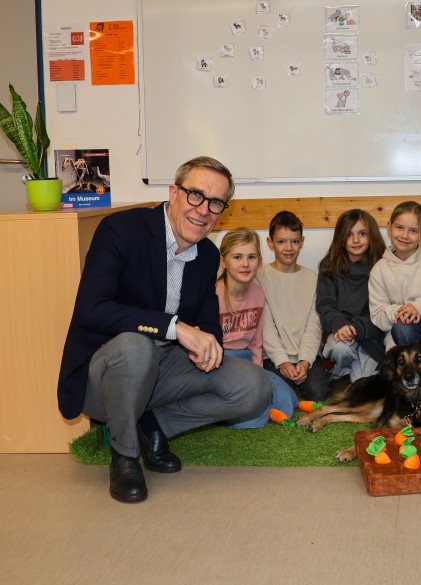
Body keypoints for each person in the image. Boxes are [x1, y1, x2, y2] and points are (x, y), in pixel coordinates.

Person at [57, 156, 272, 503]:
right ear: (173, 193)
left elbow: (209, 325)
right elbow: (90, 310)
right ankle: (125, 455)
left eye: (216, 202)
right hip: (104, 377)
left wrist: (209, 346)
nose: (204, 210)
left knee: (255, 386)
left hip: (162, 373)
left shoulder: (206, 256)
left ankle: (151, 424)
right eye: (195, 195)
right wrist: (175, 328)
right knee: (136, 346)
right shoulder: (121, 229)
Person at [216, 228, 298, 427]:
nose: (245, 264)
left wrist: (258, 376)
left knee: (287, 397)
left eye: (251, 257)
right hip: (220, 363)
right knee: (248, 416)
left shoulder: (258, 293)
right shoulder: (213, 295)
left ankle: (262, 406)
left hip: (247, 361)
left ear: (259, 261)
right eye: (237, 257)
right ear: (223, 261)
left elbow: (255, 343)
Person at [259, 211, 329, 400]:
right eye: (281, 242)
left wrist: (305, 361)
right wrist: (282, 362)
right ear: (270, 242)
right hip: (273, 357)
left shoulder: (313, 279)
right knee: (280, 395)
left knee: (319, 393)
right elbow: (266, 328)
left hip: (305, 355)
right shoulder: (259, 277)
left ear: (302, 241)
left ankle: (302, 373)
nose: (289, 248)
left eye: (295, 241)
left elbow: (314, 325)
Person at [316, 209, 387, 382]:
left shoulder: (383, 266)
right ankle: (340, 373)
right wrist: (340, 325)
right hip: (341, 333)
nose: (355, 240)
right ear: (340, 238)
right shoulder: (329, 266)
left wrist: (358, 329)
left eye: (362, 234)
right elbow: (325, 305)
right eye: (349, 234)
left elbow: (385, 310)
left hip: (371, 336)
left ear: (372, 236)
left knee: (364, 384)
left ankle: (353, 372)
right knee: (340, 351)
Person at [369, 201, 421, 348]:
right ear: (389, 227)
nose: (405, 235)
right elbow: (378, 313)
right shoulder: (379, 269)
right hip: (394, 333)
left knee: (404, 329)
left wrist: (419, 307)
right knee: (400, 330)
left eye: (413, 231)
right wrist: (401, 312)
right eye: (399, 227)